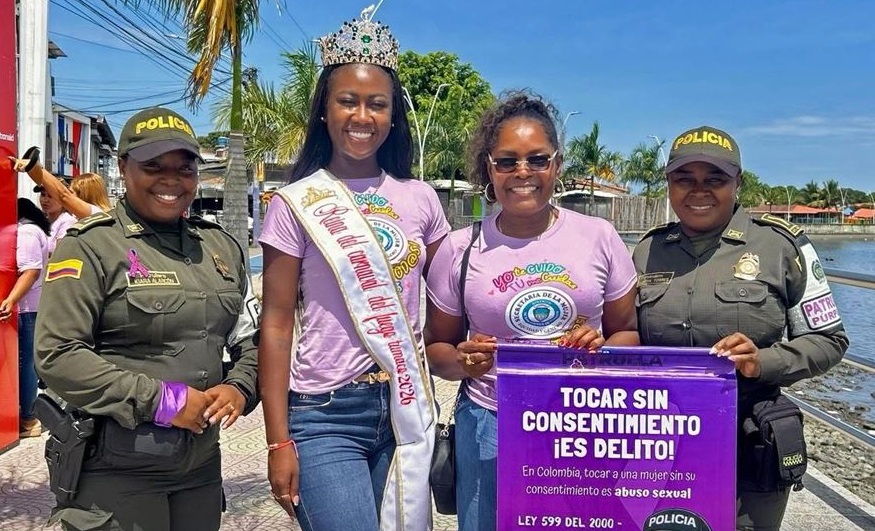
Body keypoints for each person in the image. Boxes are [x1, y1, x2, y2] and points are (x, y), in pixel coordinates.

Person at [257, 6, 450, 530]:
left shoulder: (421, 198)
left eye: (376, 104)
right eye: (347, 101)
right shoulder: (295, 202)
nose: (361, 117)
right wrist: (277, 440)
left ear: (392, 115)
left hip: (402, 405)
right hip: (324, 413)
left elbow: (447, 300)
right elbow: (275, 324)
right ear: (325, 110)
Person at [33, 106, 260, 531]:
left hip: (200, 469)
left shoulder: (220, 249)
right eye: (153, 166)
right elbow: (58, 355)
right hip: (117, 472)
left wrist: (240, 387)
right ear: (123, 167)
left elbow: (252, 338)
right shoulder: (91, 247)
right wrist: (164, 402)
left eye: (184, 166)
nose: (171, 179)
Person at [425, 91, 640, 531]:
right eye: (507, 161)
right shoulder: (458, 249)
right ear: (489, 168)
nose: (522, 172)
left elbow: (629, 334)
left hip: (586, 422)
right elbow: (436, 351)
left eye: (537, 159)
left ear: (556, 165)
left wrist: (601, 347)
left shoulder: (598, 236)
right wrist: (464, 362)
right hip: (489, 422)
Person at [632, 125, 849, 531]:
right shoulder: (646, 250)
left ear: (738, 183)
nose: (699, 190)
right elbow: (624, 334)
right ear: (669, 185)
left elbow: (829, 339)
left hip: (750, 436)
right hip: (660, 437)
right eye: (684, 179)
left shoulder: (782, 246)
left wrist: (762, 362)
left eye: (715, 179)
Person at [0, 199, 50, 437]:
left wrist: (10, 300)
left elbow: (31, 270)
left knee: (26, 363)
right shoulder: (27, 230)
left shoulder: (27, 231)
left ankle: (29, 419)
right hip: (24, 307)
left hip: (26, 308)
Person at [10, 149, 111, 219]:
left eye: (72, 192)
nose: (69, 195)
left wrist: (33, 166)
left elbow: (63, 195)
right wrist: (33, 169)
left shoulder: (96, 214)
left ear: (85, 195)